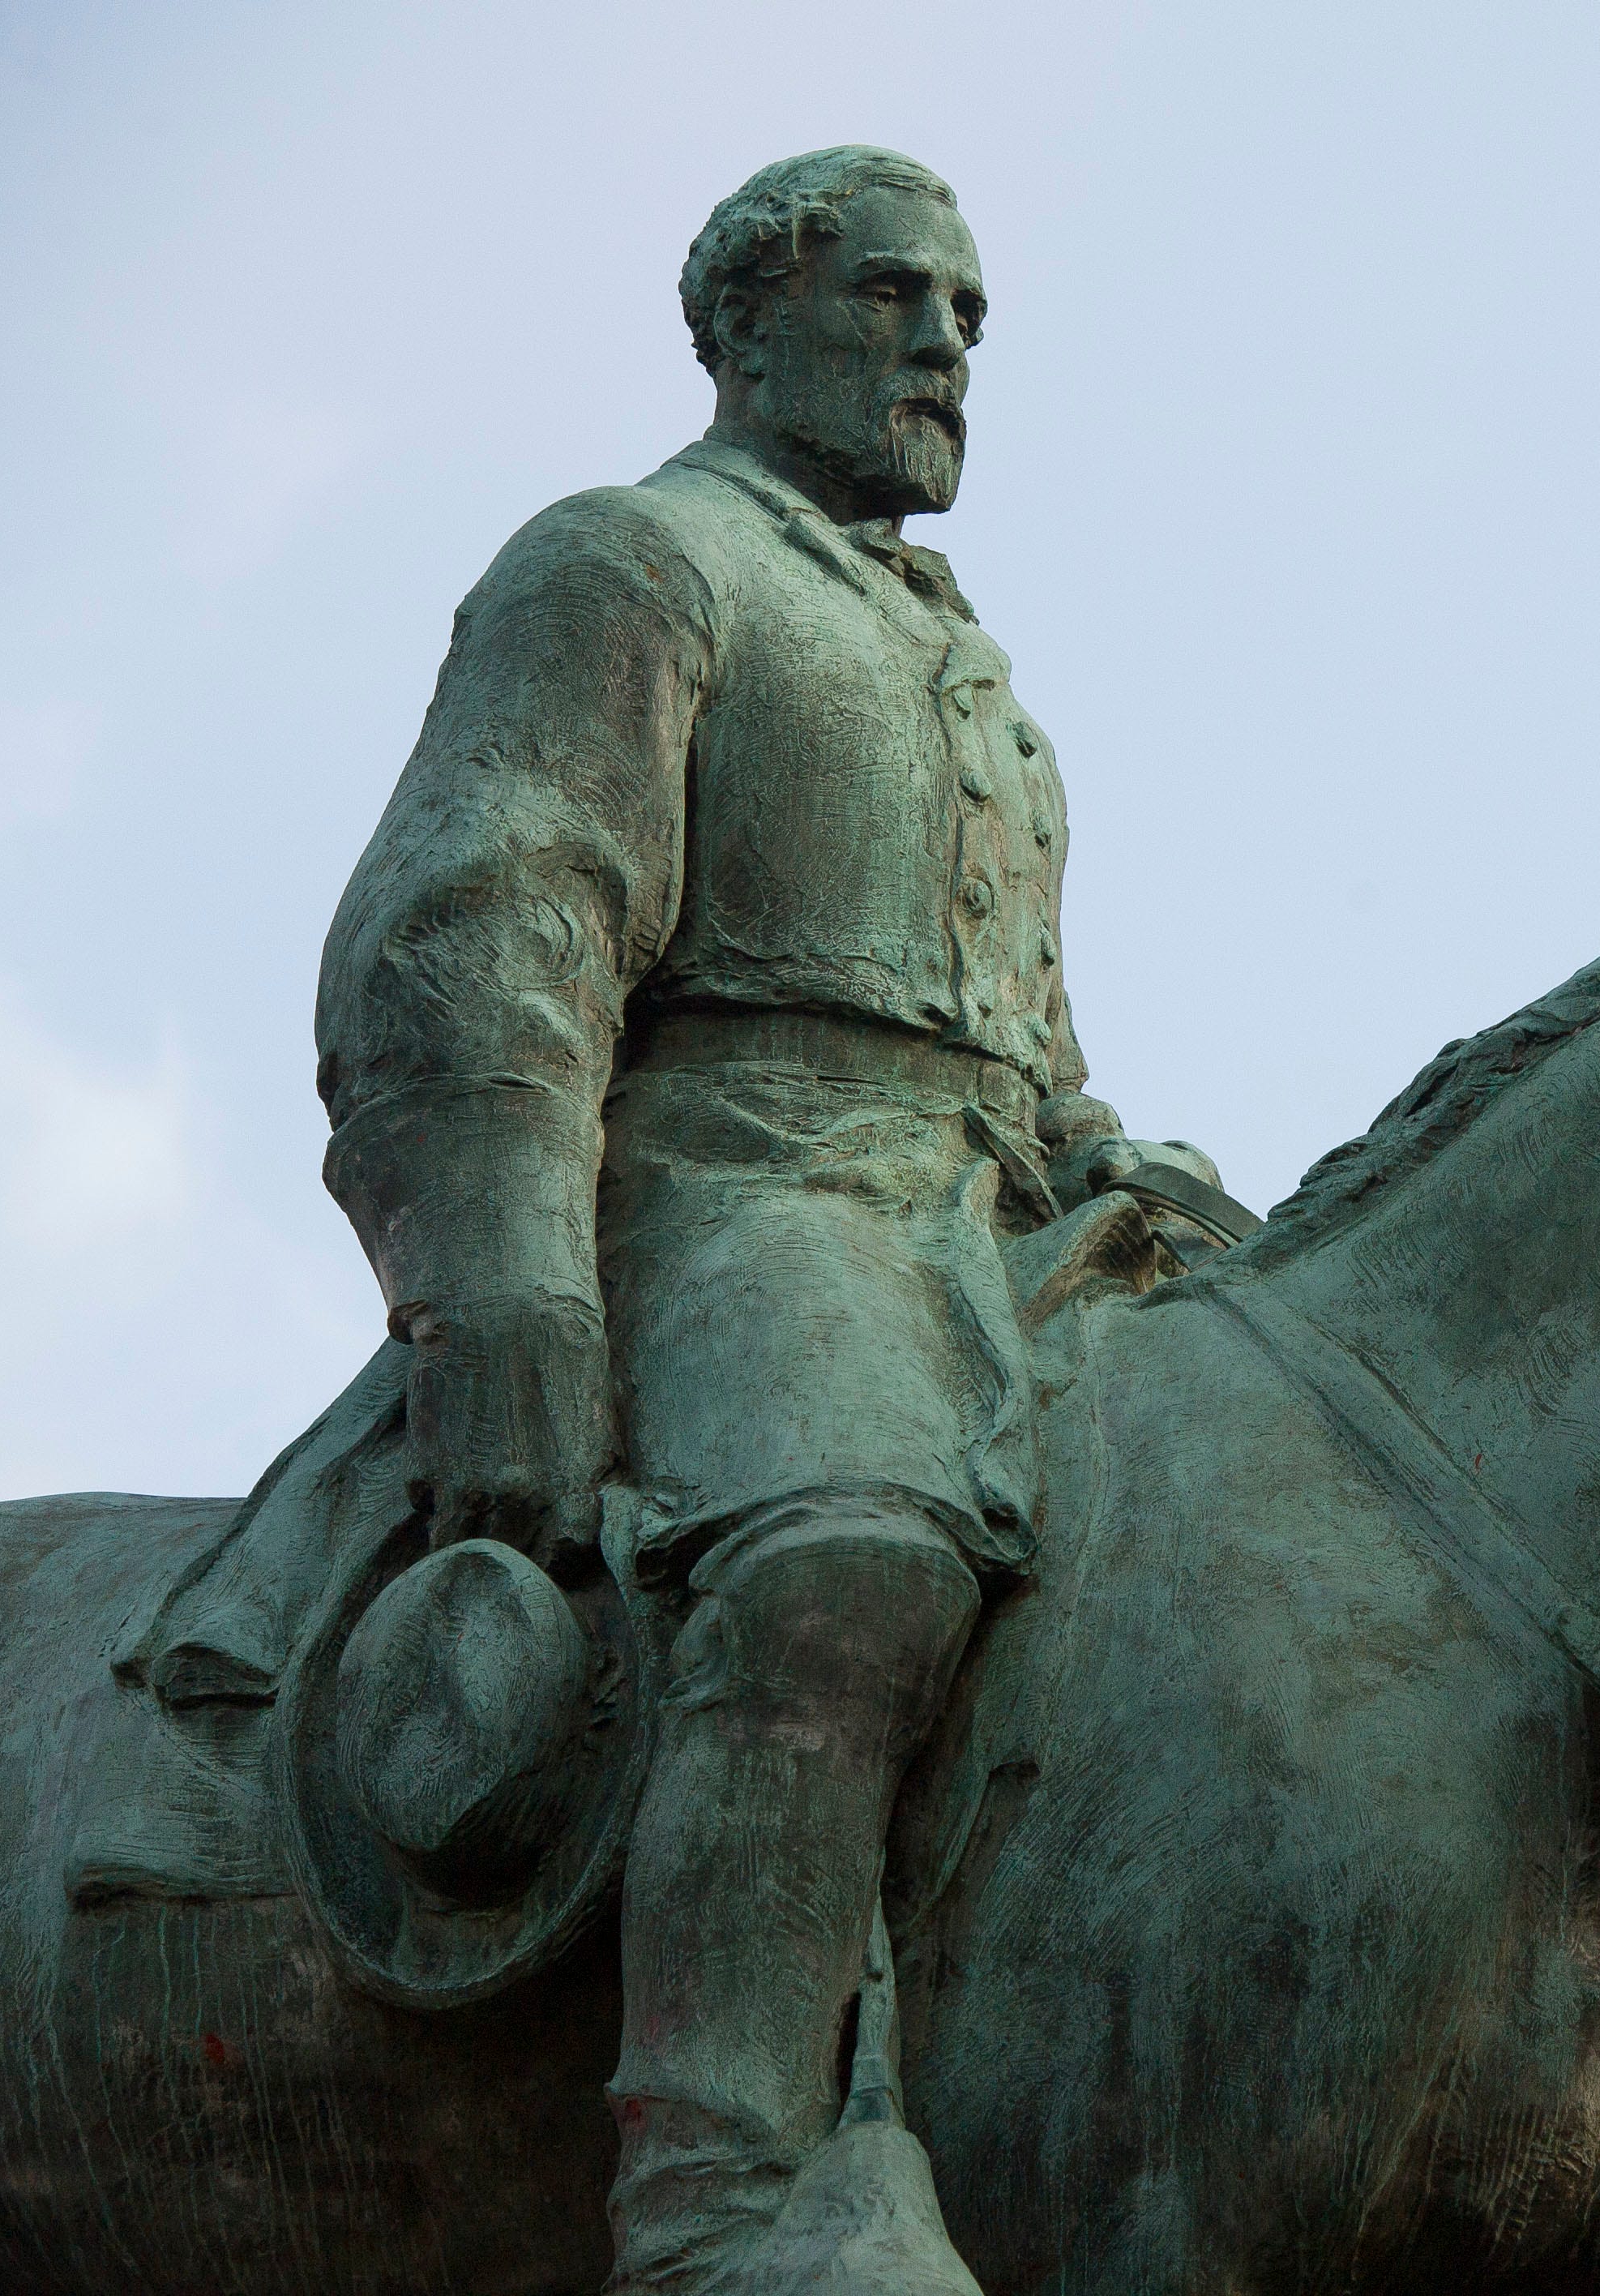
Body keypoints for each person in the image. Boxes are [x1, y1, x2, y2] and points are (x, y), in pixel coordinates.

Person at [313, 144, 1213, 2294]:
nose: (945, 347)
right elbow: (480, 933)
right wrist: (509, 1285)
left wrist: (1099, 1148)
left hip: (973, 1222)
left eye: (974, 318)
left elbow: (1019, 1025)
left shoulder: (965, 666)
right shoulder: (633, 562)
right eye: (898, 295)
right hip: (738, 1197)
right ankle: (715, 2188)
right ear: (747, 319)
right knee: (848, 1556)